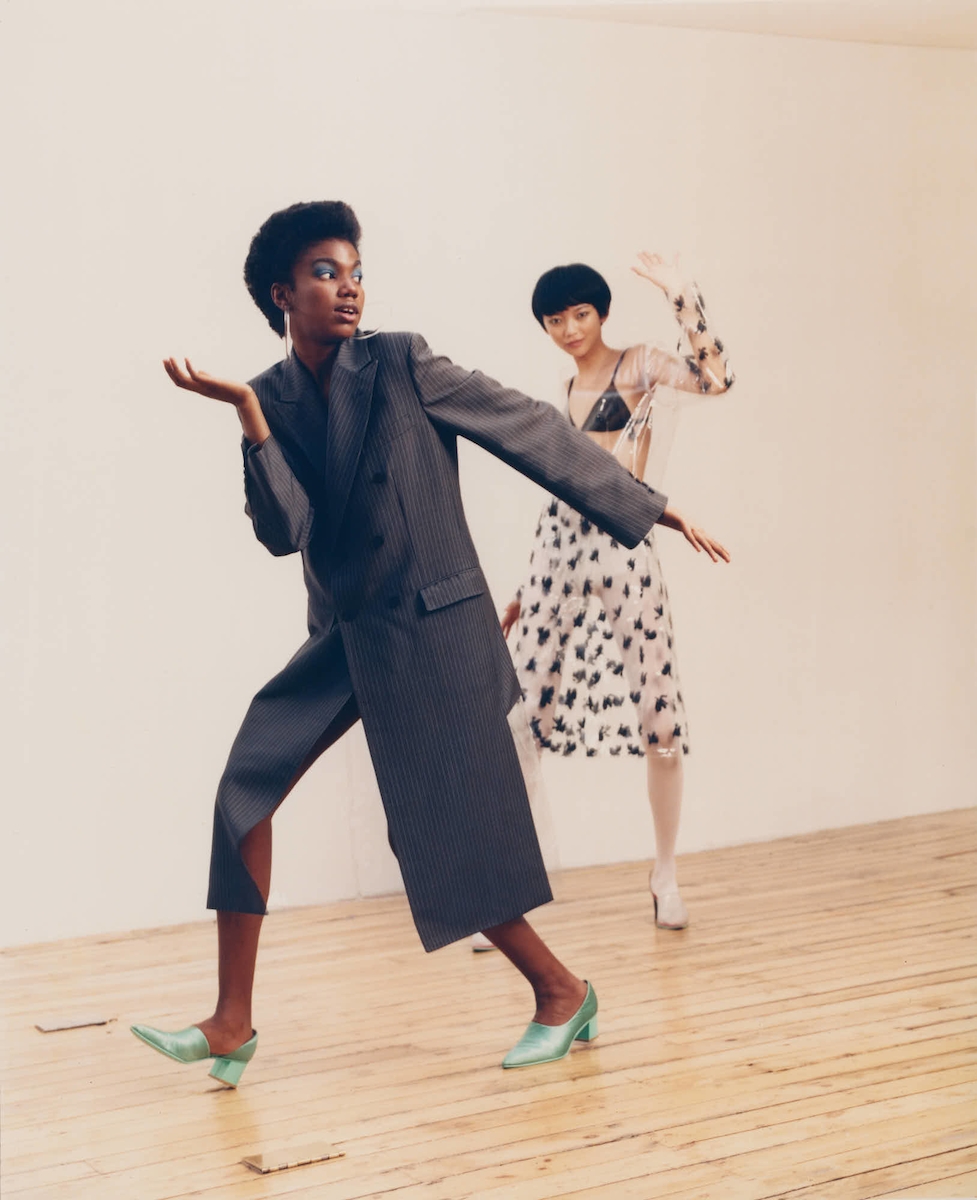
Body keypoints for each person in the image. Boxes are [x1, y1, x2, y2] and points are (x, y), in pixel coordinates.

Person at [129, 202, 728, 1084]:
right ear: (281, 293)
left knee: (439, 832)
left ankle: (561, 992)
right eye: (326, 273)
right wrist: (250, 418)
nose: (349, 288)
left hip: (428, 625)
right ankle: (230, 1023)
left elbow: (527, 426)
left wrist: (648, 507)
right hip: (344, 633)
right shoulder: (271, 395)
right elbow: (284, 532)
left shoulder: (401, 362)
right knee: (243, 794)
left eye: (355, 272)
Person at [489, 254, 733, 937]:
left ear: (600, 313)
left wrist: (682, 294)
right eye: (555, 320)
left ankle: (665, 875)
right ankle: (512, 893)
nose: (569, 329)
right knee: (520, 718)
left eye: (580, 314)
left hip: (626, 546)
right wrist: (526, 589)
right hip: (559, 550)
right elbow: (564, 492)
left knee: (661, 720)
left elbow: (715, 379)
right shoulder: (563, 391)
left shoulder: (639, 366)